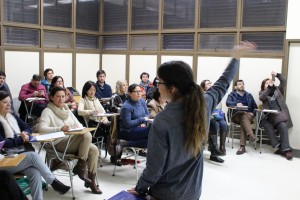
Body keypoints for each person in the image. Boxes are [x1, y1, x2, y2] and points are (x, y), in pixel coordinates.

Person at [128, 41, 257, 199]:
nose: (157, 86)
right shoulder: (204, 104)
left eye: (159, 82)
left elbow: (154, 169)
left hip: (166, 194)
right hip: (192, 192)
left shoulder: (162, 120)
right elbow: (223, 83)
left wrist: (140, 188)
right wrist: (236, 57)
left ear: (172, 88)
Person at [0, 91, 70, 200]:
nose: (9, 104)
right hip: (5, 159)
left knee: (35, 172)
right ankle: (53, 182)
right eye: (5, 102)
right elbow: (3, 143)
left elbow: (28, 126)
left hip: (18, 154)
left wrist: (25, 133)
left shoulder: (11, 116)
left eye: (9, 102)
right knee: (33, 156)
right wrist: (20, 139)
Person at [38, 86, 102, 194]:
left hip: (71, 141)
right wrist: (60, 129)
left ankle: (91, 181)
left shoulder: (67, 110)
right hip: (58, 143)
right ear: (52, 97)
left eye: (63, 96)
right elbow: (41, 129)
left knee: (94, 149)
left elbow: (79, 125)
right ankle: (81, 167)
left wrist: (74, 128)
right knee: (86, 136)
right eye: (58, 96)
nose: (61, 99)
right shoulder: (47, 111)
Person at [259, 71, 293, 160]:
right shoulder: (262, 93)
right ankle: (278, 145)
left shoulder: (278, 90)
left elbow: (284, 82)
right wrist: (269, 87)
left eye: (269, 82)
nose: (268, 84)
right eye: (266, 83)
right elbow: (262, 98)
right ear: (263, 86)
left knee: (283, 125)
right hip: (268, 117)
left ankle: (286, 150)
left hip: (279, 117)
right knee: (264, 123)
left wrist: (277, 75)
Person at [226, 79, 258, 155]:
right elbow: (228, 103)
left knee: (244, 118)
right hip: (236, 115)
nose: (242, 85)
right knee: (243, 116)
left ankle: (242, 146)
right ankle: (251, 135)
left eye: (243, 84)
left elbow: (255, 107)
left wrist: (253, 114)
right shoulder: (232, 95)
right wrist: (236, 103)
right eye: (240, 84)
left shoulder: (249, 95)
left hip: (248, 115)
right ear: (235, 86)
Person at [117, 84, 150, 155]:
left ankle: (125, 143)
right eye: (136, 91)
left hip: (139, 128)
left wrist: (143, 122)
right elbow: (128, 124)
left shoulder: (141, 101)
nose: (139, 93)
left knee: (152, 139)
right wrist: (141, 119)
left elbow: (147, 114)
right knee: (151, 131)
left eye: (140, 91)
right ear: (129, 93)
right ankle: (125, 142)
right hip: (127, 131)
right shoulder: (126, 106)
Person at [201, 79, 227, 163]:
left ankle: (221, 147)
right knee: (215, 125)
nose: (210, 84)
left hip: (215, 116)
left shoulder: (214, 95)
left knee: (223, 124)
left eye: (210, 83)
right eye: (207, 84)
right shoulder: (202, 95)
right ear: (203, 87)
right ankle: (213, 152)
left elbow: (218, 108)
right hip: (205, 118)